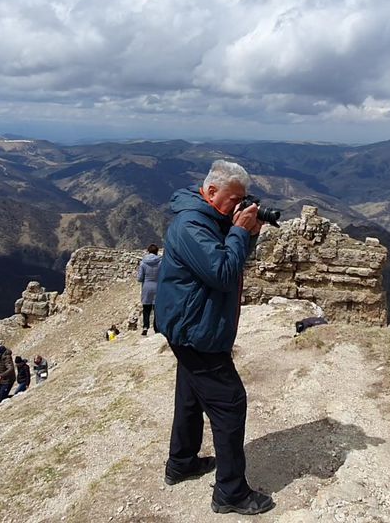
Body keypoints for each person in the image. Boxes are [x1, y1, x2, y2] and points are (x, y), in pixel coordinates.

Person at [155, 160, 275, 516]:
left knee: (191, 396)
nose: (237, 205)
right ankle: (231, 493)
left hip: (192, 326)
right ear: (210, 192)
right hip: (197, 331)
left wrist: (247, 233)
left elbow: (233, 261)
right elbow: (223, 272)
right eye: (233, 198)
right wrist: (238, 231)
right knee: (229, 402)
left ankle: (182, 462)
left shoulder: (210, 219)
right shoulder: (192, 224)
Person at [137, 243, 162, 336]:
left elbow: (140, 278)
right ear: (156, 252)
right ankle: (157, 328)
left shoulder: (143, 263)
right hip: (157, 287)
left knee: (146, 309)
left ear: (148, 251)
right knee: (157, 309)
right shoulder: (160, 262)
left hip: (146, 287)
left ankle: (145, 328)